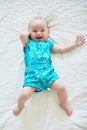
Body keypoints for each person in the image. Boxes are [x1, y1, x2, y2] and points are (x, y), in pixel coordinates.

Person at [13, 17, 85, 116]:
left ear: (48, 32)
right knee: (24, 94)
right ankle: (19, 105)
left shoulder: (48, 44)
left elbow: (61, 50)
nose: (39, 33)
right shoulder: (28, 43)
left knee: (62, 87)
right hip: (32, 77)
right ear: (29, 33)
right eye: (35, 31)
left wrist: (75, 45)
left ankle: (64, 104)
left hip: (49, 75)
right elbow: (22, 36)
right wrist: (28, 34)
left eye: (42, 30)